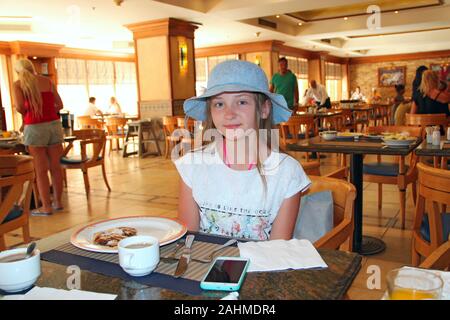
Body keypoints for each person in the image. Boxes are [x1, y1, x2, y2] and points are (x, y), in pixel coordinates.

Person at [175, 60, 311, 240]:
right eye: (219, 104)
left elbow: (278, 249)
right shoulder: (193, 166)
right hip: (205, 266)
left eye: (241, 102)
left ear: (264, 109)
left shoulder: (287, 173)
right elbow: (188, 241)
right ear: (210, 111)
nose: (229, 114)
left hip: (261, 266)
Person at [12, 58, 64, 216]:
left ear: (18, 71)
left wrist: (30, 113)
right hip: (54, 125)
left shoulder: (18, 84)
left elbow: (20, 107)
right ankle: (58, 202)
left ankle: (46, 207)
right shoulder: (47, 81)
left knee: (41, 170)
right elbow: (60, 105)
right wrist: (47, 108)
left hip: (34, 127)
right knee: (56, 167)